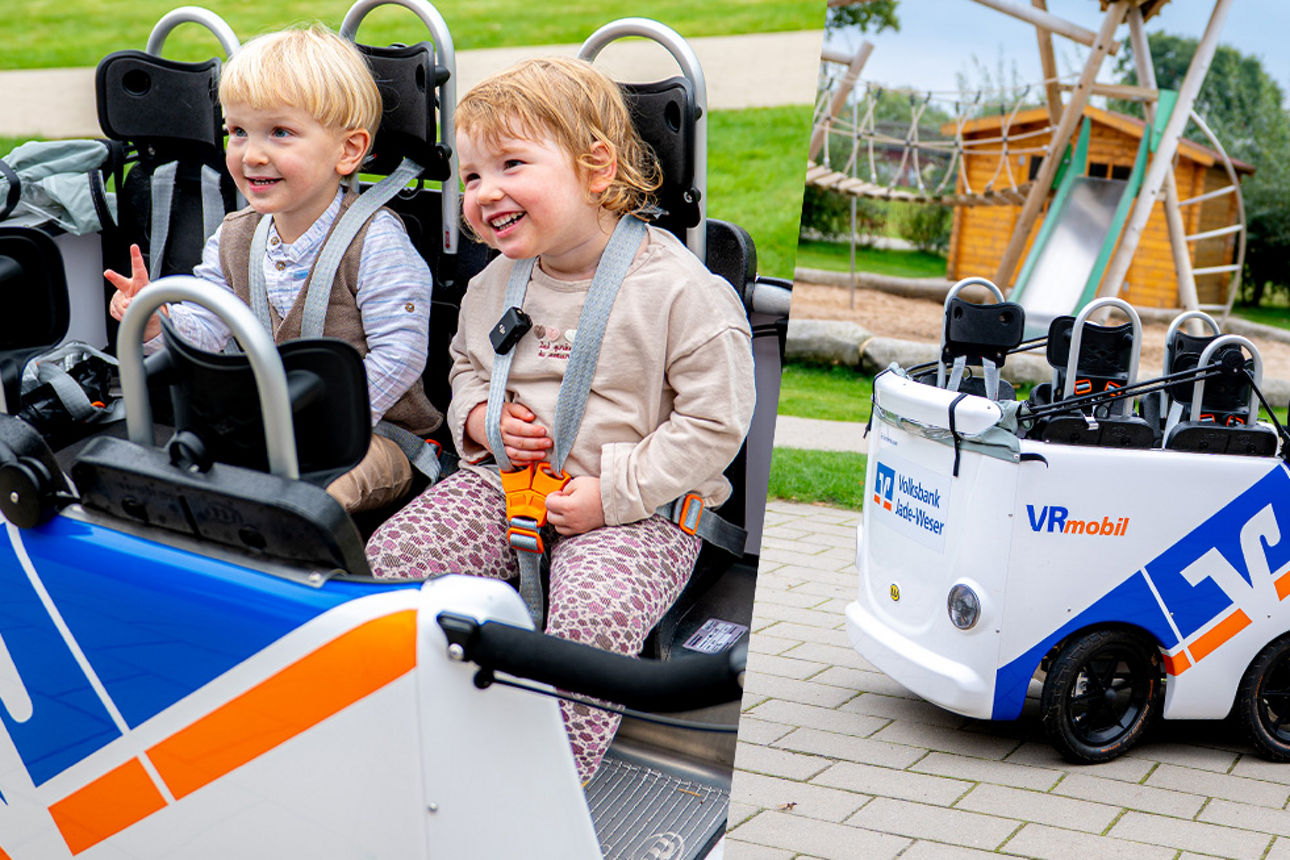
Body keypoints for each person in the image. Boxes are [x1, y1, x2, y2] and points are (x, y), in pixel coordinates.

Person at [365, 56, 756, 782]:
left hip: (642, 508)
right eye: (473, 176)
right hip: (506, 487)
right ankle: (409, 742)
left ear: (596, 168)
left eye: (512, 164)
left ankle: (547, 780)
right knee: (392, 564)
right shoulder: (495, 280)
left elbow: (713, 425)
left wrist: (612, 492)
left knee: (592, 617)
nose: (485, 193)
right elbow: (464, 367)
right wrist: (481, 418)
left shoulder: (680, 294)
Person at [105, 24, 440, 513]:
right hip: (265, 423)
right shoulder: (235, 236)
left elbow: (401, 355)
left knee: (311, 494)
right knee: (187, 466)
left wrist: (315, 427)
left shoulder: (377, 242)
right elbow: (210, 331)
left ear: (348, 151)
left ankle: (302, 564)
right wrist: (158, 320)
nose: (252, 154)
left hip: (373, 433)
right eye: (237, 132)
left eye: (280, 133)